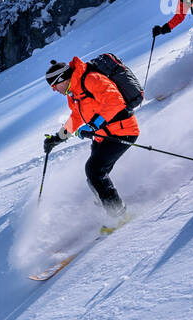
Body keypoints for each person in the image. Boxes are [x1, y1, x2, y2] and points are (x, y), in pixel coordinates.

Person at [43, 58, 139, 226]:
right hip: (103, 136)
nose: (54, 90)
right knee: (94, 177)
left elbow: (115, 102)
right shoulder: (74, 92)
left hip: (122, 131)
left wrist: (94, 125)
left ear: (62, 80)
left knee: (95, 171)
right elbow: (76, 117)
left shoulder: (91, 79)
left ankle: (119, 217)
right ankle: (108, 207)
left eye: (54, 86)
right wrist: (57, 138)